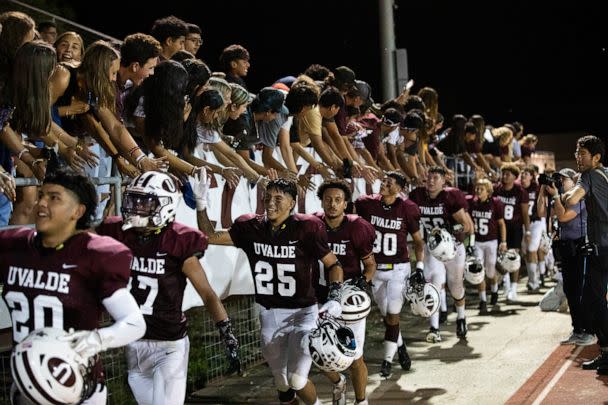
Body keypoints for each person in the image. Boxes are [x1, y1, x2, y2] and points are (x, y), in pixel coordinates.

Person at [195, 176, 346, 405]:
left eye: (278, 197)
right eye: (268, 196)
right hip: (269, 313)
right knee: (282, 384)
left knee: (297, 379)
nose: (271, 202)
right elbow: (209, 235)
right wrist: (201, 205)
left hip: (303, 313)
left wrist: (334, 295)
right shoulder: (251, 226)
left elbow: (333, 264)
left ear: (292, 202)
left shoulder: (308, 227)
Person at [0, 169, 146, 404]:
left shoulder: (94, 254)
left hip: (77, 384)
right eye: (41, 195)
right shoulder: (13, 246)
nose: (41, 204)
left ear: (78, 211)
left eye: (54, 197)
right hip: (27, 382)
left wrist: (96, 340)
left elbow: (135, 323)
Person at [96, 171, 239, 405]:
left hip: (169, 346)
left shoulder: (177, 241)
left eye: (146, 203)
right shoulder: (119, 233)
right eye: (135, 200)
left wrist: (226, 331)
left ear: (166, 205)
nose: (137, 208)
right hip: (134, 344)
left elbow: (207, 293)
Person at [354, 171, 425, 377]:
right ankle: (400, 347)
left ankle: (386, 362)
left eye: (389, 182)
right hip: (375, 269)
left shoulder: (408, 208)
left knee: (393, 315)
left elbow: (418, 241)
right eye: (384, 180)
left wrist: (419, 266)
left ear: (400, 189)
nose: (384, 184)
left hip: (398, 269)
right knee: (387, 316)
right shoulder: (366, 203)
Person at [315, 179, 376, 405]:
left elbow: (370, 264)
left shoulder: (357, 226)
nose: (332, 204)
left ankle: (361, 401)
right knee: (318, 351)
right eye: (328, 200)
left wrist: (364, 281)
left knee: (355, 356)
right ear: (321, 201)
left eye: (338, 200)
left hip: (349, 299)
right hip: (319, 297)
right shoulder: (312, 224)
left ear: (346, 204)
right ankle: (338, 381)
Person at [409, 166, 473, 342]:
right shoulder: (417, 195)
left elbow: (466, 226)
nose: (430, 180)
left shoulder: (450, 196)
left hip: (453, 247)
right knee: (433, 285)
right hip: (432, 247)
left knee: (455, 286)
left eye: (435, 177)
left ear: (444, 181)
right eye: (429, 177)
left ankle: (461, 317)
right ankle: (434, 328)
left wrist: (450, 230)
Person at [563, 135, 608, 374]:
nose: (577, 158)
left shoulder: (589, 176)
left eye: (582, 154)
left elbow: (573, 199)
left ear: (596, 157)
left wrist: (560, 194)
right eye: (576, 153)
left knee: (594, 299)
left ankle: (607, 351)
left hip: (602, 247)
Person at [537, 167, 593, 345]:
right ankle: (578, 329)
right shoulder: (559, 198)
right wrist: (543, 188)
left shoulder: (579, 198)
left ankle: (587, 330)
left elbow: (563, 217)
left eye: (563, 179)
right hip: (565, 249)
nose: (560, 183)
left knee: (578, 290)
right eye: (558, 179)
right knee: (570, 290)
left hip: (578, 248)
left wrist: (554, 196)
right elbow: (540, 212)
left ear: (573, 181)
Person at [467, 178, 507, 312]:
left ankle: (495, 290)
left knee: (490, 271)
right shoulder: (472, 202)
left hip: (491, 240)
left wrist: (503, 241)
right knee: (479, 271)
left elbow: (501, 224)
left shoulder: (495, 203)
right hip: (478, 241)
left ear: (488, 191)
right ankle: (483, 300)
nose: (478, 191)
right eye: (477, 188)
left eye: (481, 189)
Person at [494, 163, 530, 301]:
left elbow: (525, 213)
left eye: (508, 174)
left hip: (515, 227)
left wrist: (527, 232)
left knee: (514, 258)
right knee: (501, 258)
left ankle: (513, 289)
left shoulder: (520, 191)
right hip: (499, 227)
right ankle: (506, 284)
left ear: (515, 176)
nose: (504, 176)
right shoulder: (497, 189)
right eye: (503, 173)